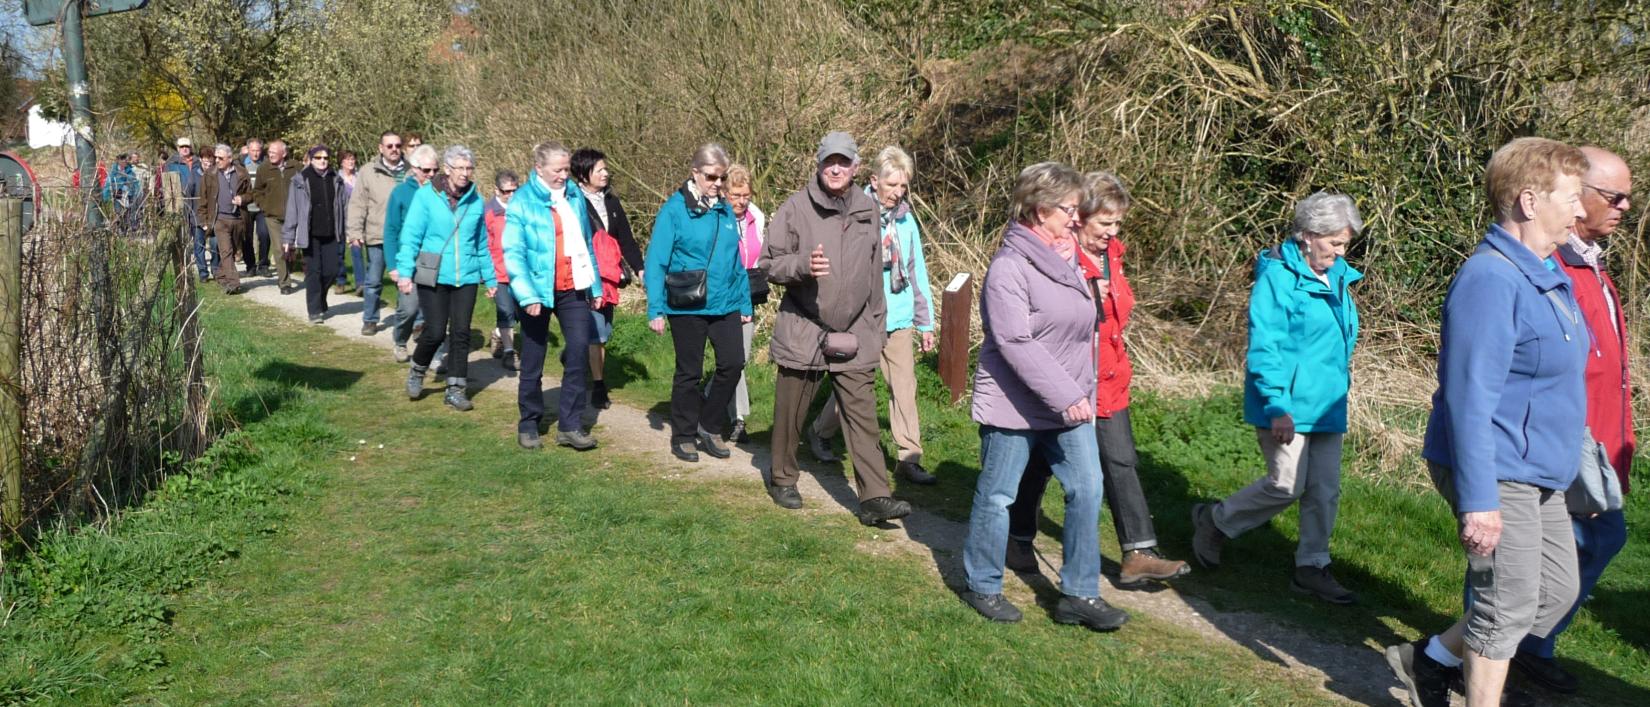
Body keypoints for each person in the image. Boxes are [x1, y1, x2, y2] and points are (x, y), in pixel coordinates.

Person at [1383, 137, 1589, 707]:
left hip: (1540, 469)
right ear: (1529, 200)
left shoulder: (1547, 275)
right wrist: (1480, 500)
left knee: (1554, 592)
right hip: (1496, 468)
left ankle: (1431, 658)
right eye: (1571, 197)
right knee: (1507, 604)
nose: (1581, 210)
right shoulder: (1490, 279)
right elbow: (1469, 399)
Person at [959, 161, 1125, 631]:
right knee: (997, 496)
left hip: (1071, 402)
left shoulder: (1071, 258)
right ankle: (983, 584)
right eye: (1068, 209)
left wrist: (1080, 392)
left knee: (1088, 488)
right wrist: (1065, 395)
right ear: (1038, 209)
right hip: (1016, 404)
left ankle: (1079, 593)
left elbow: (1082, 329)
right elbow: (1015, 341)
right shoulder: (1009, 266)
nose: (1077, 217)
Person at [1004, 171, 1190, 585]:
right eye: (1105, 223)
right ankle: (1017, 537)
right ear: (1080, 217)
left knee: (1121, 461)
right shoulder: (1062, 258)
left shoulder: (1113, 255)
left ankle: (1137, 552)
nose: (1112, 231)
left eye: (1118, 223)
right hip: (1072, 377)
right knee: (1042, 464)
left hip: (1110, 378)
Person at [1504, 146, 1635, 695]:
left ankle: (1526, 646)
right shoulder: (1549, 263)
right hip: (1559, 442)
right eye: (1615, 196)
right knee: (1514, 558)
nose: (1626, 207)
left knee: (1596, 540)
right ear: (1576, 196)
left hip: (1598, 442)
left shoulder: (1593, 262)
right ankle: (1489, 655)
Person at [1189, 192, 1364, 605]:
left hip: (1327, 404)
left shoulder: (1336, 276)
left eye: (1345, 244)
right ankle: (1216, 521)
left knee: (1324, 491)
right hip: (1286, 404)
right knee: (1286, 485)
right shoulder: (1278, 279)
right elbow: (1266, 348)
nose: (1340, 253)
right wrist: (1276, 405)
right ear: (1307, 235)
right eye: (1334, 243)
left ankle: (1312, 566)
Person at [759, 131, 909, 526]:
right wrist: (803, 266)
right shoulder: (795, 208)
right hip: (803, 326)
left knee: (860, 414)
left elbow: (875, 274)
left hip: (857, 328)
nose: (837, 168)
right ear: (819, 165)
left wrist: (875, 330)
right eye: (830, 162)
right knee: (792, 412)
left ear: (857, 168)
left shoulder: (867, 209)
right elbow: (768, 264)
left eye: (844, 162)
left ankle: (875, 496)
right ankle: (783, 478)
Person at [807, 146, 937, 484]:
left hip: (899, 317)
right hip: (862, 318)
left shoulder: (907, 221)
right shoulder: (856, 214)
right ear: (874, 180)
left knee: (904, 388)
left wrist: (926, 322)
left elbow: (916, 271)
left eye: (903, 186)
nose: (898, 192)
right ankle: (820, 432)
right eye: (892, 185)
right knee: (852, 385)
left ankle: (909, 457)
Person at [643, 143, 750, 462]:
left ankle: (709, 424)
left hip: (726, 302)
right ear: (695, 173)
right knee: (689, 372)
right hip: (688, 303)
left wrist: (745, 303)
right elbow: (657, 260)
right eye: (711, 177)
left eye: (722, 177)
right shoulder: (674, 210)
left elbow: (736, 261)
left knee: (733, 364)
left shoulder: (726, 210)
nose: (717, 183)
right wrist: (655, 307)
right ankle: (684, 435)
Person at [502, 141, 601, 450]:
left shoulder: (574, 196)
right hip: (536, 289)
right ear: (539, 169)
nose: (563, 175)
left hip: (573, 287)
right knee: (533, 356)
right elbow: (513, 252)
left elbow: (586, 242)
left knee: (578, 351)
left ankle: (570, 425)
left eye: (566, 169)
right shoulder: (522, 201)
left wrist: (595, 286)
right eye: (557, 170)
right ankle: (529, 422)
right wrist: (527, 295)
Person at [396, 145, 497, 411]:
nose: (465, 174)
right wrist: (405, 272)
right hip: (434, 273)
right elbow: (411, 237)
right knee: (435, 331)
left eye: (469, 168)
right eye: (460, 168)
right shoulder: (426, 196)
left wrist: (491, 278)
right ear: (448, 169)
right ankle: (418, 369)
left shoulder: (476, 200)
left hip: (467, 276)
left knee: (461, 333)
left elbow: (482, 243)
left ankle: (455, 389)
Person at [574, 147, 644, 410]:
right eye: (600, 169)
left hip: (609, 274)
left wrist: (639, 268)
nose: (606, 173)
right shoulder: (573, 200)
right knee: (596, 333)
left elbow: (625, 238)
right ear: (584, 173)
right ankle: (599, 386)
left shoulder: (612, 201)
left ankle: (573, 355)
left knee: (603, 331)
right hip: (583, 274)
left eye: (606, 168)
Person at [347, 132, 411, 340]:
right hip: (377, 234)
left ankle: (411, 322)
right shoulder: (368, 171)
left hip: (406, 237)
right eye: (389, 145)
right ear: (380, 148)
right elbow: (358, 204)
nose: (394, 149)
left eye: (397, 145)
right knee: (374, 280)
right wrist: (354, 232)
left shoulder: (411, 171)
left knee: (408, 280)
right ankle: (370, 319)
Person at [281, 146, 348, 324]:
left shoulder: (336, 179)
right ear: (311, 159)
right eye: (318, 157)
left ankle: (320, 298)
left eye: (325, 157)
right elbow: (292, 210)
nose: (322, 161)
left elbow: (343, 207)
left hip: (331, 233)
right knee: (314, 272)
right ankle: (314, 310)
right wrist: (288, 238)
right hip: (310, 234)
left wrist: (348, 230)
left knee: (332, 271)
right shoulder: (300, 180)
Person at [724, 163, 765, 443]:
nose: (741, 201)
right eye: (735, 195)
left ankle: (711, 397)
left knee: (740, 358)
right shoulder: (717, 217)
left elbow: (762, 252)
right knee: (733, 358)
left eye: (745, 195)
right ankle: (737, 418)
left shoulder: (756, 217)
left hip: (749, 291)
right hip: (723, 295)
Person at [385, 145, 438, 358]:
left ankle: (432, 352)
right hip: (407, 258)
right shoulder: (400, 193)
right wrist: (393, 265)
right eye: (426, 170)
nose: (431, 175)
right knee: (409, 308)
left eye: (435, 170)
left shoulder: (440, 192)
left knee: (434, 310)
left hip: (432, 259)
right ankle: (400, 340)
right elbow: (391, 230)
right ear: (414, 168)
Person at [197, 144, 249, 295]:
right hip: (219, 219)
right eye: (216, 157)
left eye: (221, 158)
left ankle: (220, 273)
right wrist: (204, 221)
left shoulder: (241, 173)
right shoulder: (210, 174)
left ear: (230, 158)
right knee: (225, 251)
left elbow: (251, 195)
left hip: (238, 219)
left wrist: (243, 198)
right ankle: (234, 283)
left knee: (232, 252)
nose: (217, 160)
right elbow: (203, 200)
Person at [251, 140, 301, 294]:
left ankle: (290, 266)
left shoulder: (297, 167)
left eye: (274, 152)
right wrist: (265, 206)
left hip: (294, 216)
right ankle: (284, 282)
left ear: (284, 154)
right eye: (269, 152)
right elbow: (257, 191)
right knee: (279, 249)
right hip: (272, 216)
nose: (270, 154)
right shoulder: (264, 168)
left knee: (292, 249)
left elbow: (306, 187)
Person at [483, 169, 521, 372]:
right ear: (496, 190)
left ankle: (498, 334)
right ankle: (509, 352)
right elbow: (483, 244)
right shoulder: (489, 212)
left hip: (521, 271)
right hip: (498, 271)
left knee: (519, 313)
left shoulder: (524, 208)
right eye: (506, 191)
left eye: (515, 190)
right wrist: (485, 275)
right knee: (505, 311)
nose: (511, 195)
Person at [166, 137, 213, 281]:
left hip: (203, 203)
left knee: (207, 239)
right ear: (178, 148)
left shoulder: (200, 162)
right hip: (183, 203)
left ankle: (212, 269)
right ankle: (199, 269)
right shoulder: (172, 164)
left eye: (187, 146)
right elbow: (169, 185)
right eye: (182, 147)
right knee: (193, 239)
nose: (185, 149)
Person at [336, 150, 365, 296]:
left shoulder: (360, 178)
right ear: (342, 162)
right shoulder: (337, 178)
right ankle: (341, 281)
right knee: (339, 251)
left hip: (356, 220)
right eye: (348, 160)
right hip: (340, 219)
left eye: (353, 159)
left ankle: (361, 283)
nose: (351, 162)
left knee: (357, 250)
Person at [241, 138, 271, 275]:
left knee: (264, 234)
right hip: (246, 207)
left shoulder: (266, 164)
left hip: (261, 207)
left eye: (258, 150)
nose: (255, 153)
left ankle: (264, 265)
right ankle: (250, 266)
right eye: (253, 150)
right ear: (248, 150)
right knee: (246, 237)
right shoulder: (241, 165)